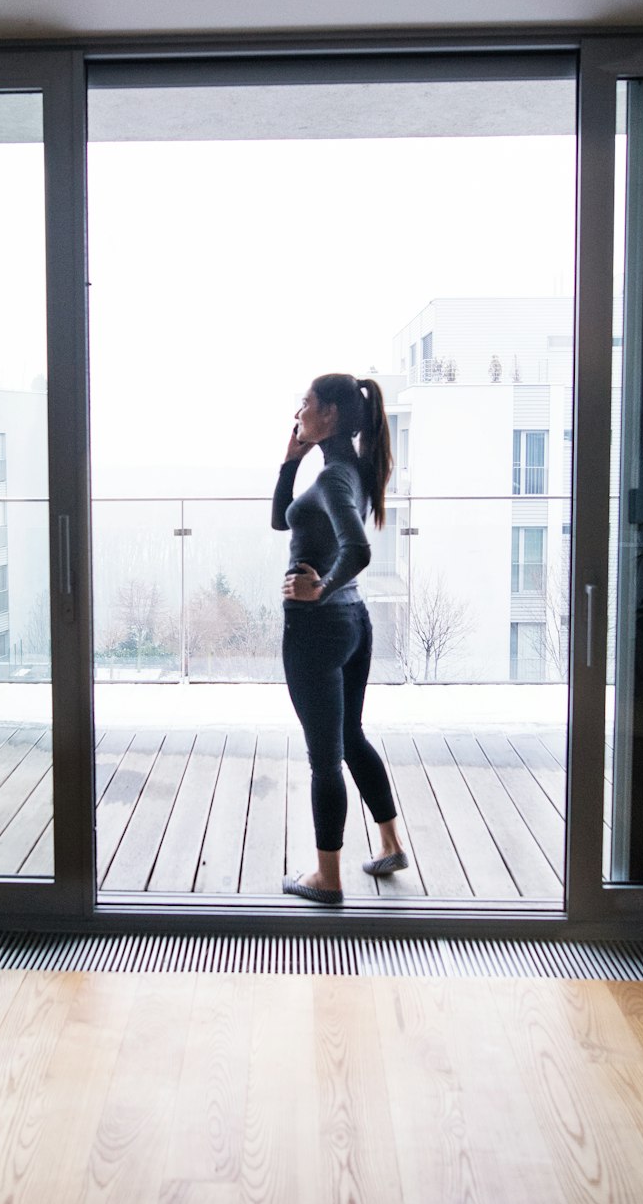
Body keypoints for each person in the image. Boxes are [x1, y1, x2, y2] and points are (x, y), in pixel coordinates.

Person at [273, 372, 408, 904]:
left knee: (325, 758)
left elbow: (358, 550)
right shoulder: (347, 468)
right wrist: (290, 459)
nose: (298, 410)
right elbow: (280, 521)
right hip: (354, 623)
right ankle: (391, 844)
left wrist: (318, 591)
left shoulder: (332, 480)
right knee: (350, 737)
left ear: (328, 413)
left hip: (317, 629)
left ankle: (327, 879)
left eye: (305, 403)